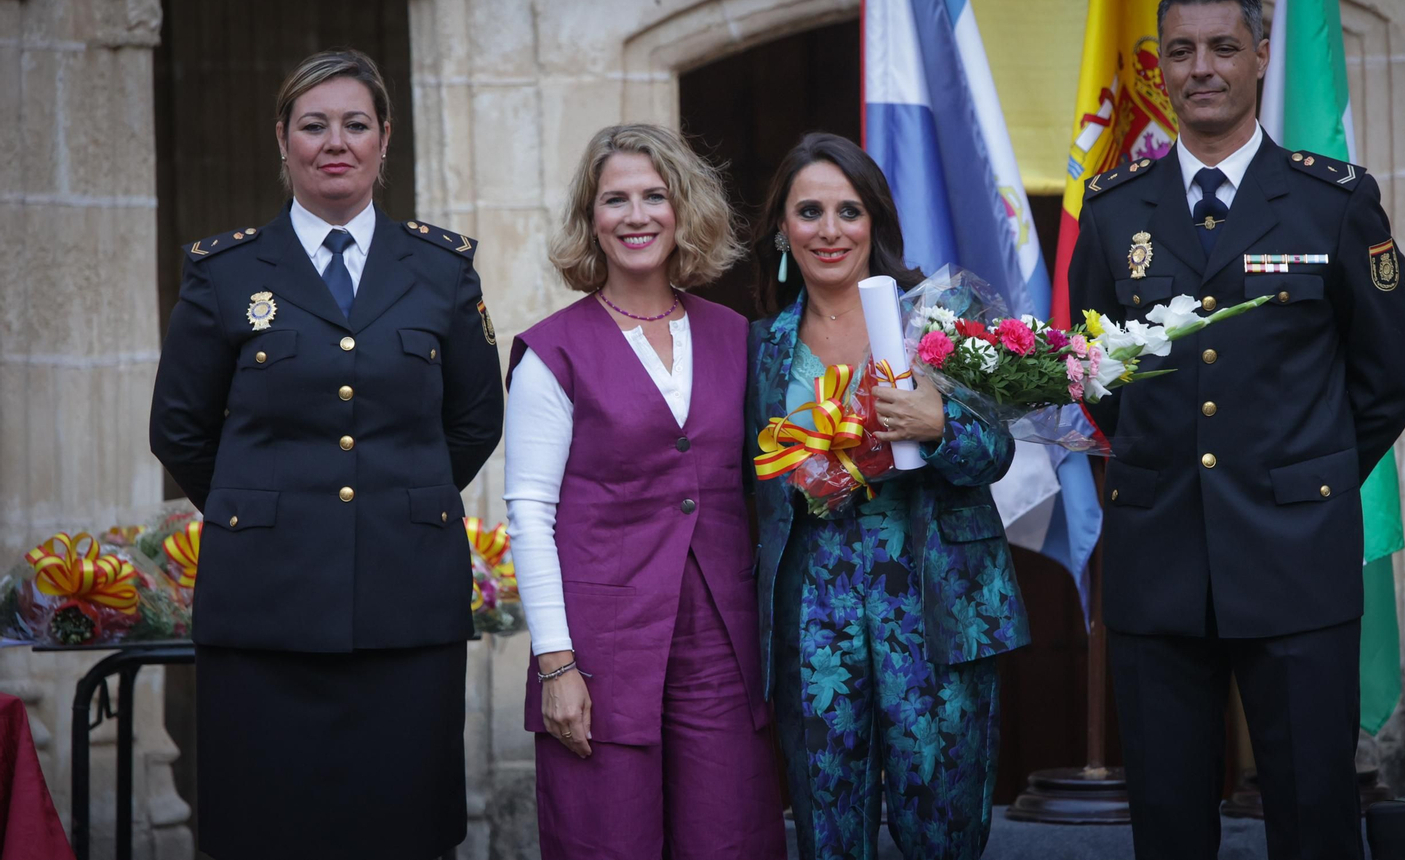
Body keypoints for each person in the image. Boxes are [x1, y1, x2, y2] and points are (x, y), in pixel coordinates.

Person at [1067, 0, 1405, 860]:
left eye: (1224, 47)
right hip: (1159, 558)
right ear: (1161, 72)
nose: (1203, 69)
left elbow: (1388, 378)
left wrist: (1308, 470)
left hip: (1297, 555)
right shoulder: (1114, 214)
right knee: (1169, 821)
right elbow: (1098, 373)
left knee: (1314, 815)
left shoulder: (1332, 201)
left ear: (1262, 56)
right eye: (1181, 52)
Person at [148, 49, 503, 860]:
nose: (333, 142)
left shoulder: (440, 269)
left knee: (404, 828)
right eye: (313, 125)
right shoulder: (226, 271)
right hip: (264, 606)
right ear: (283, 139)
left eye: (354, 124)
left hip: (406, 603)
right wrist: (270, 511)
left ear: (385, 139)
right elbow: (180, 427)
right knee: (268, 829)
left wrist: (396, 499)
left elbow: (477, 419)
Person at [503, 123, 786, 859]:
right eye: (616, 199)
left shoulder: (737, 337)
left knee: (730, 839)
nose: (637, 216)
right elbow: (529, 516)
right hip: (601, 653)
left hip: (722, 649)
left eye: (654, 196)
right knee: (610, 842)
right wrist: (556, 666)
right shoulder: (552, 353)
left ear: (682, 208)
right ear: (590, 220)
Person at [745, 132, 1029, 860]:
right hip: (814, 610)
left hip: (936, 598)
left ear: (876, 221)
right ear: (781, 227)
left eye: (849, 210)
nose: (830, 230)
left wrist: (941, 424)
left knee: (942, 825)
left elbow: (997, 452)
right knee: (828, 826)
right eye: (809, 212)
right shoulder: (760, 346)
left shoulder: (937, 315)